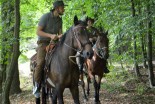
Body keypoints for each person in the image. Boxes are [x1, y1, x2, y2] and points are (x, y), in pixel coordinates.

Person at [33, 1, 67, 98]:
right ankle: (37, 85)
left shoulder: (60, 20)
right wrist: (51, 35)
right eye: (62, 7)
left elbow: (60, 33)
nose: (63, 9)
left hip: (55, 43)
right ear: (57, 8)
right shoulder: (45, 17)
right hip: (43, 43)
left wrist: (61, 36)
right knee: (40, 62)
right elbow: (38, 32)